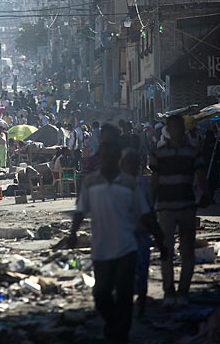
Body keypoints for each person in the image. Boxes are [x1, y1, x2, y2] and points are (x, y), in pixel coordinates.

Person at [68, 142, 166, 342]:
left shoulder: (130, 184)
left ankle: (121, 332)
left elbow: (146, 215)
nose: (109, 161)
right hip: (101, 249)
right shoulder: (90, 182)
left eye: (112, 157)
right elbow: (80, 211)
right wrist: (72, 234)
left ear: (117, 160)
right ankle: (114, 323)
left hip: (126, 247)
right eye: (105, 157)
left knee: (124, 293)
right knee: (102, 294)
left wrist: (160, 241)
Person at [150, 115, 210, 307]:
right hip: (166, 208)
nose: (175, 130)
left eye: (178, 127)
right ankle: (169, 291)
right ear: (168, 129)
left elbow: (201, 176)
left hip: (186, 206)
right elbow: (155, 180)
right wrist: (150, 205)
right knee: (166, 251)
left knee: (187, 252)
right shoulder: (159, 154)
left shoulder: (193, 152)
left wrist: (206, 194)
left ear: (182, 128)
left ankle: (183, 291)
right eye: (172, 127)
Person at [120, 148, 160, 317]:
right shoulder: (121, 184)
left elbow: (149, 210)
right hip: (128, 235)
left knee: (139, 272)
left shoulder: (137, 183)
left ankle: (139, 306)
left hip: (137, 234)